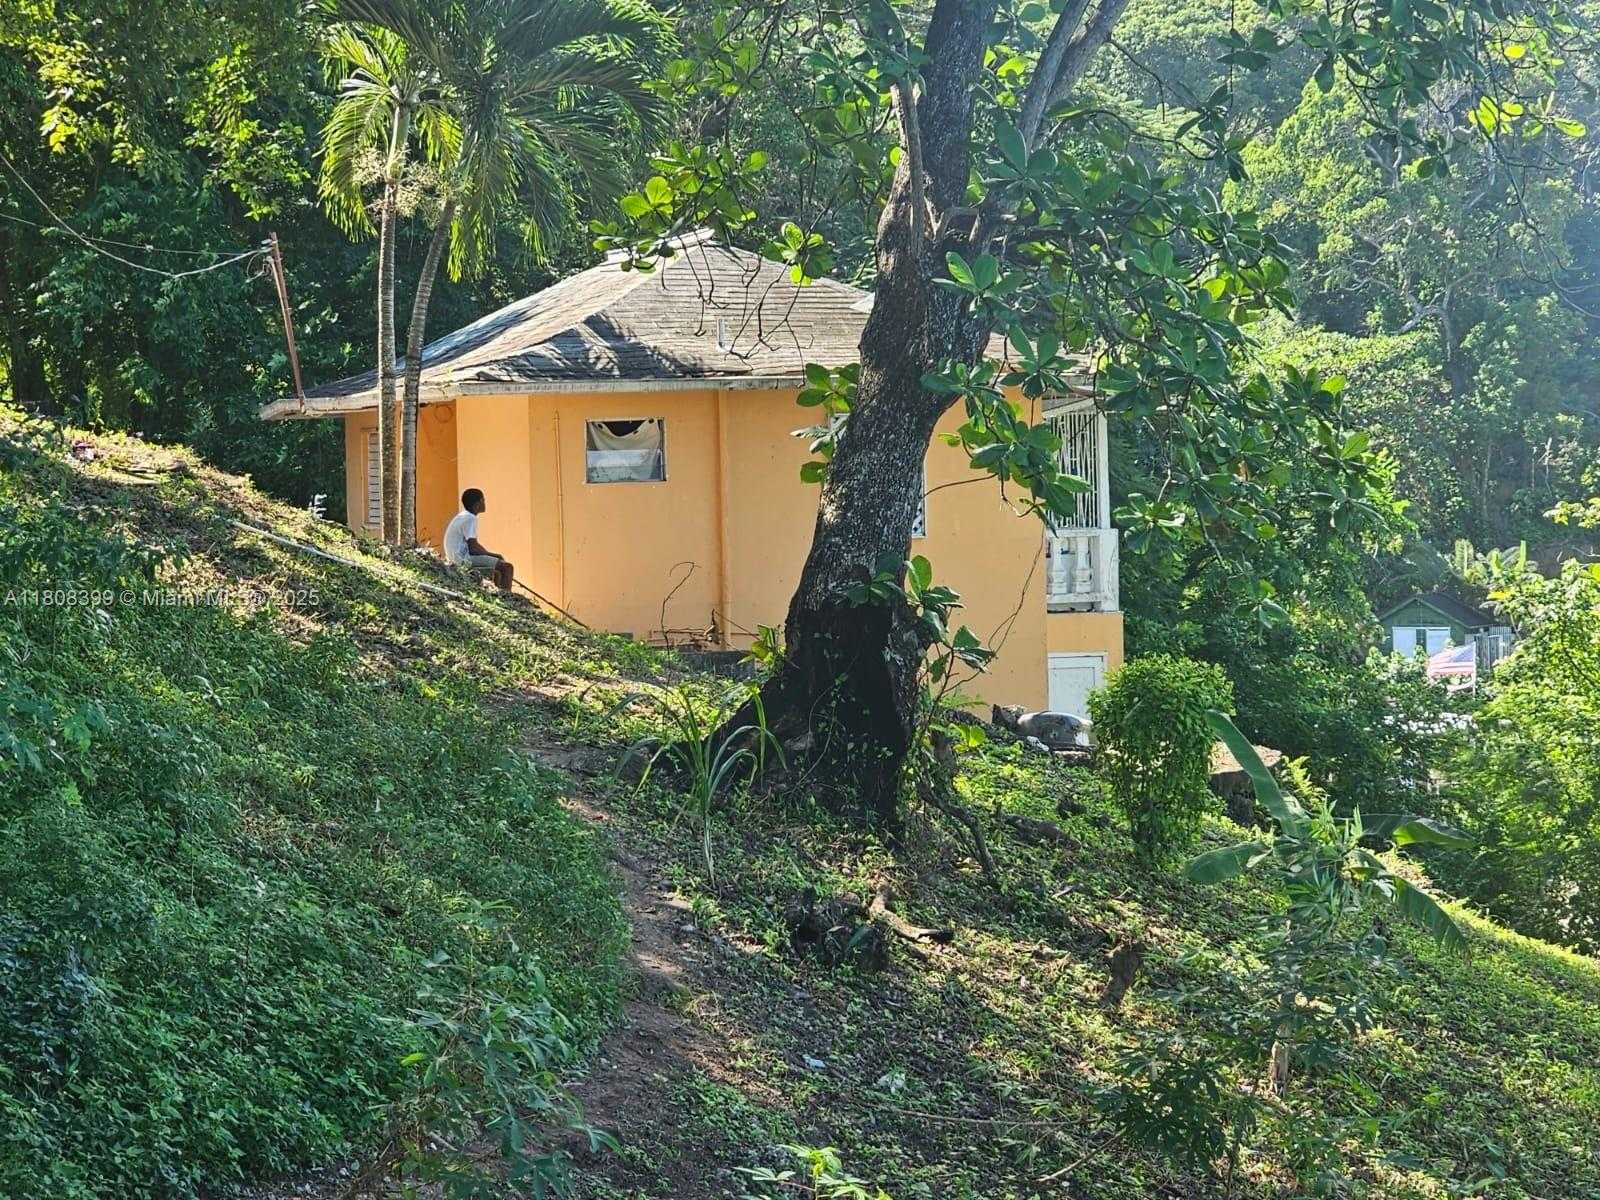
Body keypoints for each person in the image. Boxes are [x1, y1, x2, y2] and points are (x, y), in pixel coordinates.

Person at [443, 488, 514, 591]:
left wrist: (488, 554)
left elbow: (474, 545)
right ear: (478, 503)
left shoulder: (463, 516)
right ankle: (507, 596)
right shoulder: (470, 518)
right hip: (462, 559)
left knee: (497, 573)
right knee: (507, 567)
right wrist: (493, 555)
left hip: (455, 557)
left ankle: (499, 593)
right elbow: (473, 549)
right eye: (483, 500)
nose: (484, 503)